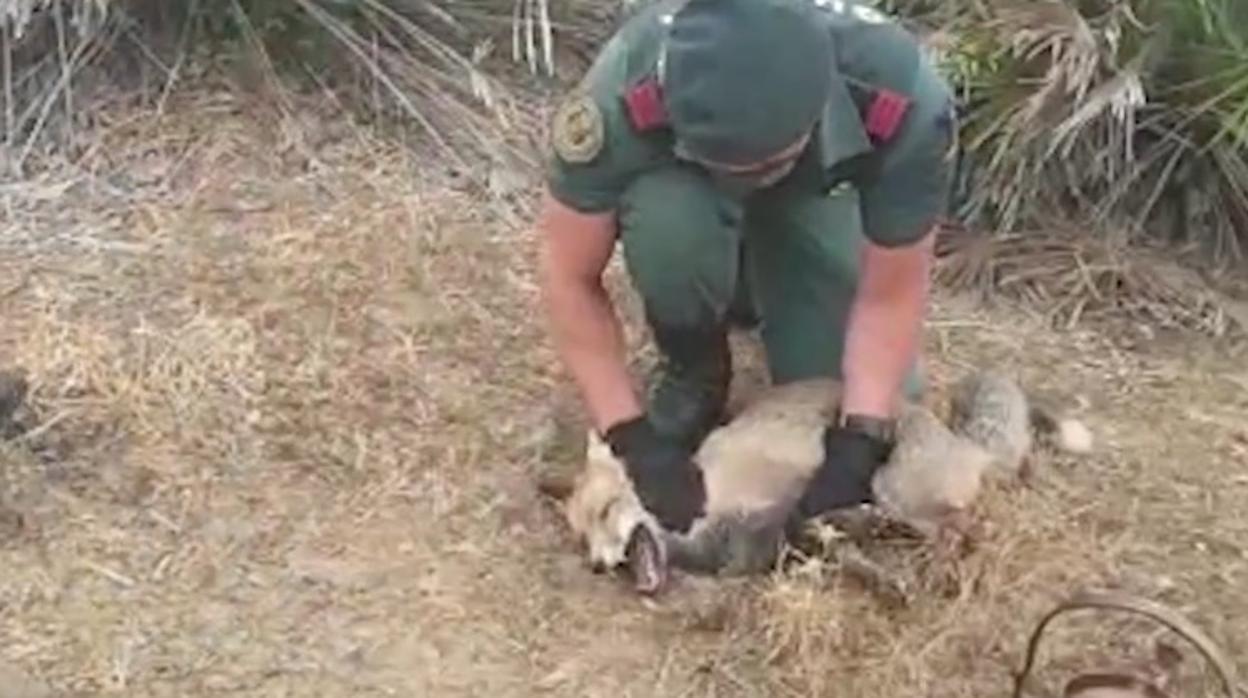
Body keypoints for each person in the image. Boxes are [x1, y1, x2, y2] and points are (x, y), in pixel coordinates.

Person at [535, 0, 957, 534]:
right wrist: (628, 435)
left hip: (816, 189)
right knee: (673, 232)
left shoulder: (902, 96)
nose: (745, 178)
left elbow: (891, 293)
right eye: (730, 167)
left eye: (760, 166)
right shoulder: (622, 87)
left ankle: (765, 280)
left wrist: (861, 435)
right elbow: (568, 273)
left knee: (859, 393)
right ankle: (695, 369)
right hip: (684, 184)